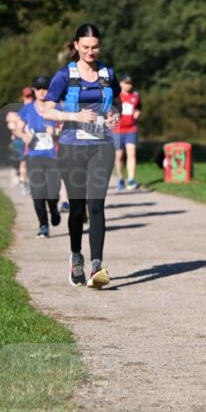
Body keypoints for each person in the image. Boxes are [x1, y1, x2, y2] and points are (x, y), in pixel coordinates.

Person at [43, 24, 119, 288]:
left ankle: (97, 266)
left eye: (95, 47)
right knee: (77, 207)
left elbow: (116, 103)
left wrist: (114, 116)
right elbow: (46, 110)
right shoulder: (64, 76)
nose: (90, 51)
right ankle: (77, 257)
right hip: (72, 147)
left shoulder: (108, 74)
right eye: (85, 47)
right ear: (76, 45)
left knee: (96, 205)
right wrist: (73, 116)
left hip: (101, 145)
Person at [15, 76, 61, 238]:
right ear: (34, 90)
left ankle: (54, 209)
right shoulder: (27, 110)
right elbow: (18, 129)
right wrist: (24, 136)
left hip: (53, 156)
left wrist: (55, 132)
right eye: (39, 88)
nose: (42, 91)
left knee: (53, 192)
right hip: (34, 156)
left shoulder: (58, 108)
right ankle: (43, 225)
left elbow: (67, 131)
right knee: (37, 193)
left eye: (46, 88)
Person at [112, 74, 141, 191]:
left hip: (131, 129)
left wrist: (137, 114)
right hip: (117, 130)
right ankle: (120, 179)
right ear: (121, 84)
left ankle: (131, 179)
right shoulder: (116, 97)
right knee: (119, 156)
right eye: (126, 83)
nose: (128, 85)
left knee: (132, 153)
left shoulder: (135, 97)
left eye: (130, 83)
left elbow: (138, 108)